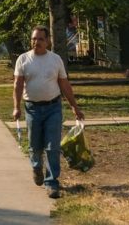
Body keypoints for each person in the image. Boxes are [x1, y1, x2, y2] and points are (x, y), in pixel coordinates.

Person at [12, 25, 84, 198]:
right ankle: (37, 167)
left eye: (40, 39)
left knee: (52, 146)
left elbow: (64, 84)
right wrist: (16, 107)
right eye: (34, 39)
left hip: (53, 108)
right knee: (35, 146)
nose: (36, 42)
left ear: (48, 41)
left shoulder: (56, 60)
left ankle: (51, 182)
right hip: (32, 109)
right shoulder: (23, 59)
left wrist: (74, 106)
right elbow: (18, 85)